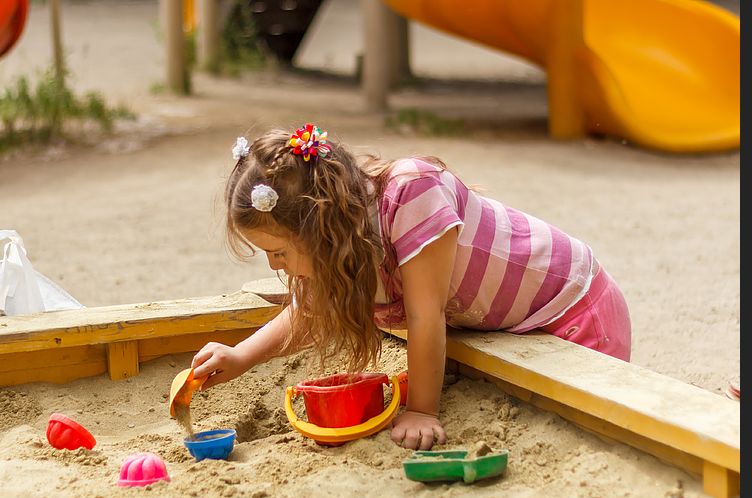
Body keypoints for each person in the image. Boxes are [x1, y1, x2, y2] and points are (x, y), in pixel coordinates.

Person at [191, 123, 632, 450]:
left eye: (280, 252)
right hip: (514, 329)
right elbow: (310, 309)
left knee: (595, 432)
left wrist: (422, 409)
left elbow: (425, 316)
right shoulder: (345, 240)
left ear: (319, 228)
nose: (274, 265)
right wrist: (242, 355)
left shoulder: (411, 194)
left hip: (573, 311)